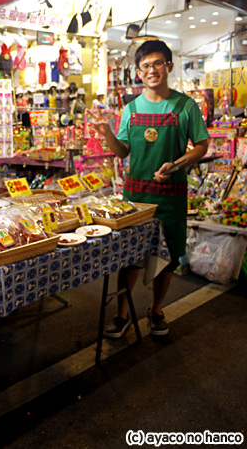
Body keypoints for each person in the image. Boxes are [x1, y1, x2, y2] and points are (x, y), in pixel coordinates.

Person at [89, 40, 209, 338]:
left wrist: (177, 164)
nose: (151, 70)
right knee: (129, 258)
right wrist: (106, 134)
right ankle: (121, 314)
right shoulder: (131, 109)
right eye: (145, 66)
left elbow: (203, 146)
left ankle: (156, 310)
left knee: (167, 260)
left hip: (171, 197)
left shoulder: (185, 106)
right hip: (135, 198)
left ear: (168, 66)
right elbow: (122, 152)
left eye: (157, 63)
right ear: (138, 72)